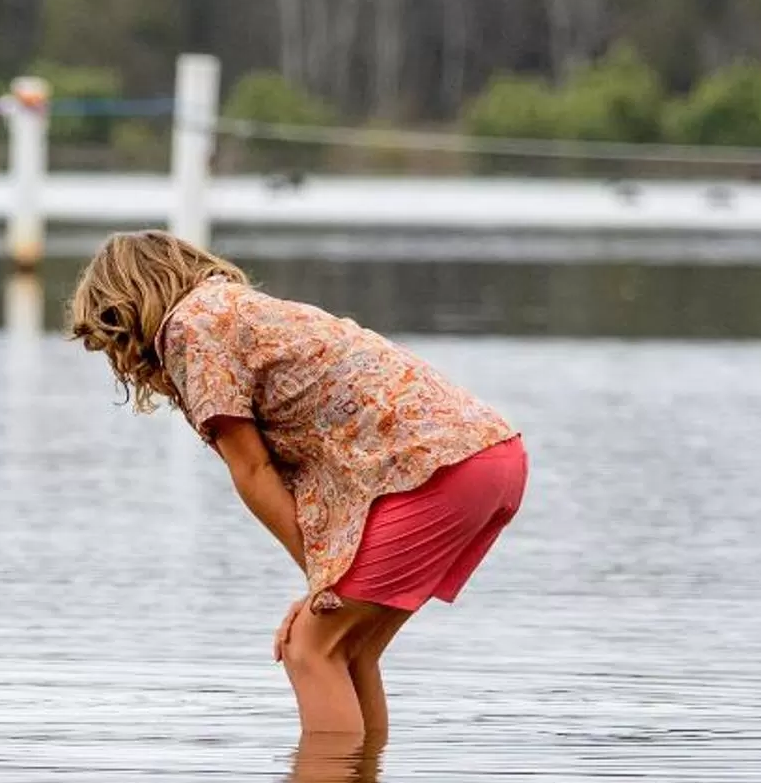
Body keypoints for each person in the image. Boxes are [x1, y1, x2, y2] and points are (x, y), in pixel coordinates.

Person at [66, 231, 526, 740]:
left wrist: (321, 583)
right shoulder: (232, 311)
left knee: (309, 647)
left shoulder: (190, 328)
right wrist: (324, 579)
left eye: (111, 340)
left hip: (442, 468)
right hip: (488, 455)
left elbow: (253, 471)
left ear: (129, 307)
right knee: (348, 650)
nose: (119, 359)